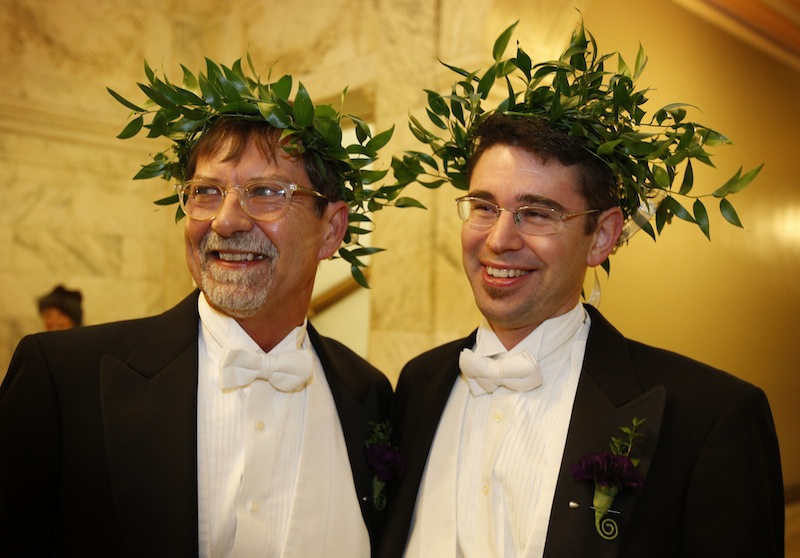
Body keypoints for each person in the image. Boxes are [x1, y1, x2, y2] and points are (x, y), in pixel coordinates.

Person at [378, 23, 784, 557]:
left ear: (603, 236)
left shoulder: (710, 417)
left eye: (536, 213)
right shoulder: (416, 387)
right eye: (484, 207)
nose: (500, 239)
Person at [0, 60, 400, 557]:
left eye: (266, 192)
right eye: (206, 192)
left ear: (332, 230)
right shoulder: (64, 381)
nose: (227, 221)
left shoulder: (368, 396)